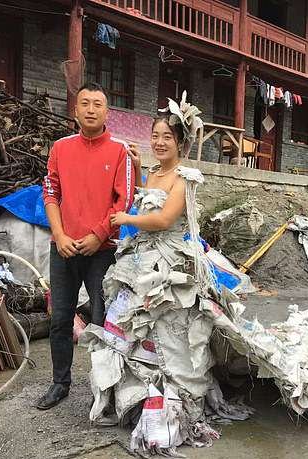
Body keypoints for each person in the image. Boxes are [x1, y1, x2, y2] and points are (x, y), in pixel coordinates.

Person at [79, 92, 251, 455]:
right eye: (155, 135)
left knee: (170, 334)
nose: (159, 142)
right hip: (139, 259)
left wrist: (126, 219)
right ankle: (136, 398)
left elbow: (163, 219)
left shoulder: (185, 177)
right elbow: (145, 198)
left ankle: (170, 406)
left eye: (167, 137)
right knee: (129, 326)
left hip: (169, 261)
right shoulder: (155, 173)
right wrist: (136, 165)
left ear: (181, 142)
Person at [37, 82, 141, 410]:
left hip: (103, 250)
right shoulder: (61, 148)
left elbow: (125, 199)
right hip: (64, 248)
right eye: (85, 103)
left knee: (102, 320)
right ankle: (60, 382)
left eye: (98, 103)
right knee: (60, 319)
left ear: (107, 112)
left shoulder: (120, 151)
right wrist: (60, 234)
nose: (91, 109)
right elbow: (50, 192)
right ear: (76, 110)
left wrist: (98, 234)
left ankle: (104, 387)